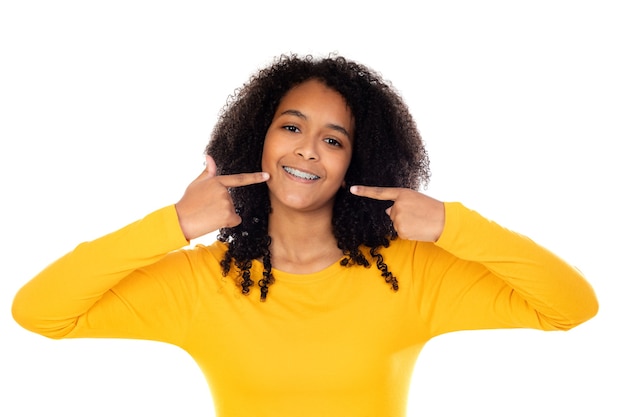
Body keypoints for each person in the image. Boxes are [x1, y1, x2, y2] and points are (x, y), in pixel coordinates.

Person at [12, 54, 598, 417]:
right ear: (259, 140)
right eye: (291, 126)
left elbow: (570, 307)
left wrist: (453, 224)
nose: (307, 148)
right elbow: (39, 313)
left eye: (334, 139)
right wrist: (175, 224)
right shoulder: (202, 285)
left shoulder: (411, 273)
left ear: (356, 164)